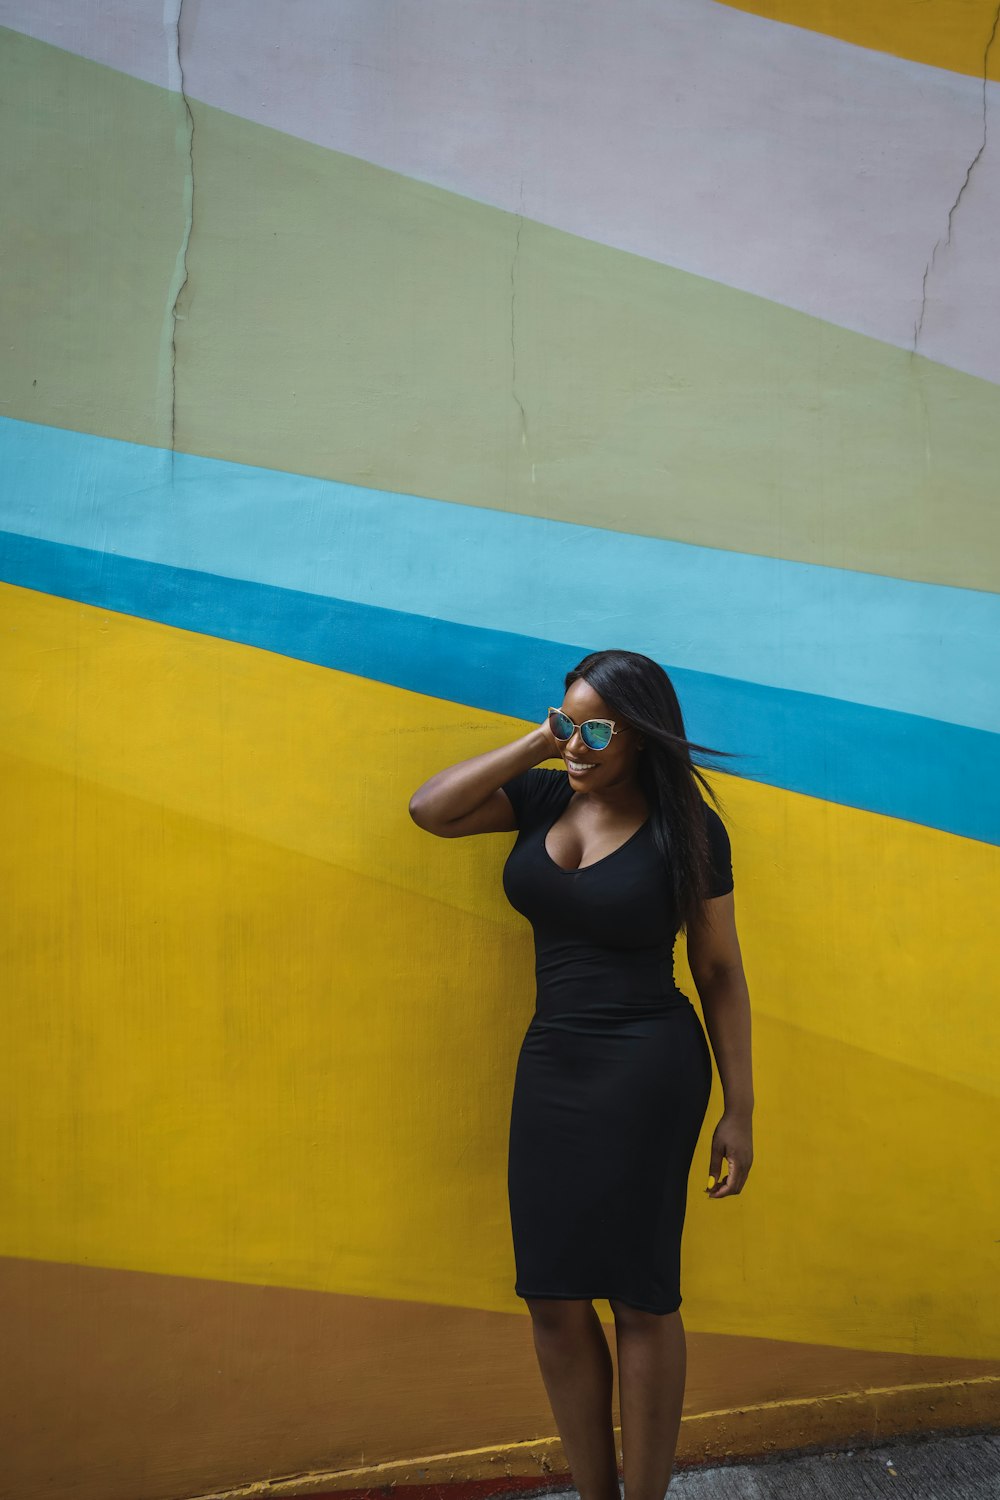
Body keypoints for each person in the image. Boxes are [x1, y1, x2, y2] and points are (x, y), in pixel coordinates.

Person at [408, 648, 754, 1500]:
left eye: (597, 728)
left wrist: (739, 1111)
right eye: (568, 720)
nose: (578, 742)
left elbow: (719, 972)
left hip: (651, 1068)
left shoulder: (691, 831)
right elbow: (430, 810)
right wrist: (539, 745)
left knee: (640, 1296)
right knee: (553, 1299)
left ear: (642, 736)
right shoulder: (541, 791)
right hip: (553, 1062)